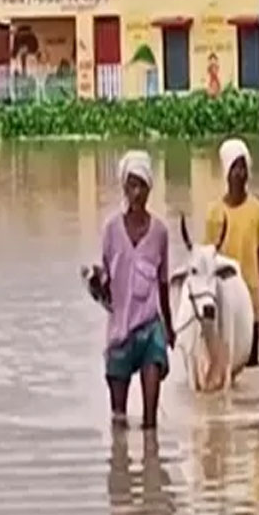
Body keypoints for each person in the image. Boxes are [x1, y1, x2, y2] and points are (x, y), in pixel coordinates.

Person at [98, 150, 175, 428]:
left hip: (149, 328)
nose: (137, 192)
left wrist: (169, 327)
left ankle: (151, 465)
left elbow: (163, 283)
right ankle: (120, 468)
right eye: (132, 184)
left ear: (149, 189)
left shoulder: (160, 233)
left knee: (150, 421)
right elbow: (106, 281)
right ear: (124, 187)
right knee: (119, 419)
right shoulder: (110, 230)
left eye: (142, 185)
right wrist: (98, 282)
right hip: (119, 334)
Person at [203, 138, 259, 366]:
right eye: (235, 168)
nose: (240, 174)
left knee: (250, 373)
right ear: (226, 172)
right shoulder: (214, 214)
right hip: (222, 307)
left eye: (243, 167)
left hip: (250, 306)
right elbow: (206, 266)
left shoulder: (258, 211)